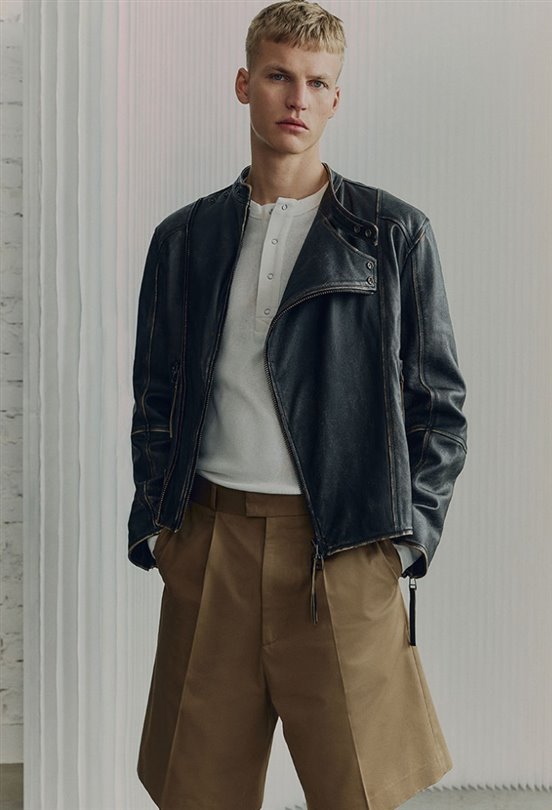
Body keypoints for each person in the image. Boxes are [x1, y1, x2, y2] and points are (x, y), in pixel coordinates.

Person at [128, 1, 468, 808]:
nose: (297, 98)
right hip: (212, 542)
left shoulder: (392, 234)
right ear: (244, 83)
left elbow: (438, 406)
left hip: (343, 552)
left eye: (318, 83)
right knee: (197, 792)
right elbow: (156, 398)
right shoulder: (185, 239)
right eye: (280, 76)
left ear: (337, 98)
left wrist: (402, 548)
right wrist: (162, 531)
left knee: (358, 792)